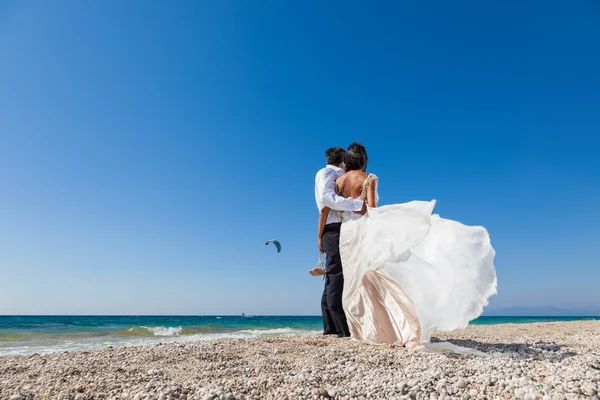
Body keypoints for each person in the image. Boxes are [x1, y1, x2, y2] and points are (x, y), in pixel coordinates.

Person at [321, 142, 497, 353]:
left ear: (347, 160)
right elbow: (372, 211)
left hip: (347, 233)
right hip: (363, 230)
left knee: (354, 281)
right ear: (364, 159)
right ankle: (388, 326)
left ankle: (360, 329)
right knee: (375, 276)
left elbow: (329, 206)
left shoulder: (339, 180)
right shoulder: (369, 178)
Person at [314, 147, 365, 337]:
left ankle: (330, 327)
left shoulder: (339, 176)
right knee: (337, 276)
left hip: (335, 228)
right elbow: (326, 201)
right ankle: (341, 328)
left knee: (332, 278)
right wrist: (356, 204)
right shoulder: (327, 173)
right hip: (334, 229)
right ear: (343, 160)